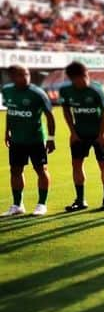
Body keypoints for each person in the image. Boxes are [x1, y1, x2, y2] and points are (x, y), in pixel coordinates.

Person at [58, 60, 104, 211]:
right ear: (72, 79)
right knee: (76, 164)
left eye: (86, 76)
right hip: (79, 133)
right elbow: (66, 111)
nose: (85, 80)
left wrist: (101, 135)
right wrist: (73, 133)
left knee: (103, 164)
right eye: (80, 78)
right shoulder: (66, 91)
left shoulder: (98, 89)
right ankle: (80, 200)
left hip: (99, 132)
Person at [2, 63, 55, 216]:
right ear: (12, 77)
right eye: (21, 74)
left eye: (27, 74)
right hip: (17, 140)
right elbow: (10, 112)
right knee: (15, 171)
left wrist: (51, 138)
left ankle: (41, 204)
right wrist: (7, 132)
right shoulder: (7, 91)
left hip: (35, 139)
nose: (25, 77)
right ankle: (17, 205)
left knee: (41, 170)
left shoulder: (37, 93)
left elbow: (50, 116)